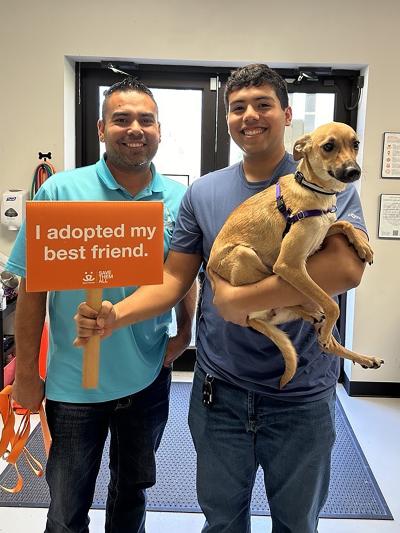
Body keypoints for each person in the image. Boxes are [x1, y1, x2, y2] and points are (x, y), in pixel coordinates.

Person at [75, 64, 370, 533]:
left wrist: (237, 300)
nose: (250, 115)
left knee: (298, 523)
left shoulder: (329, 182)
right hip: (221, 393)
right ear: (228, 117)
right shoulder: (205, 192)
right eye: (238, 107)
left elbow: (344, 269)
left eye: (263, 104)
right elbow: (174, 279)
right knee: (222, 521)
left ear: (287, 114)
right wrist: (117, 315)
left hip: (302, 396)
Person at [6, 77, 196, 533]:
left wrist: (184, 334)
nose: (135, 128)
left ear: (159, 129)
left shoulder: (178, 198)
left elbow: (185, 277)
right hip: (74, 387)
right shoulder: (59, 193)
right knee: (67, 507)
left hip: (148, 375)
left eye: (145, 119)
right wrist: (27, 376)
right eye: (122, 119)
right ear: (100, 128)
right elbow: (32, 296)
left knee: (131, 494)